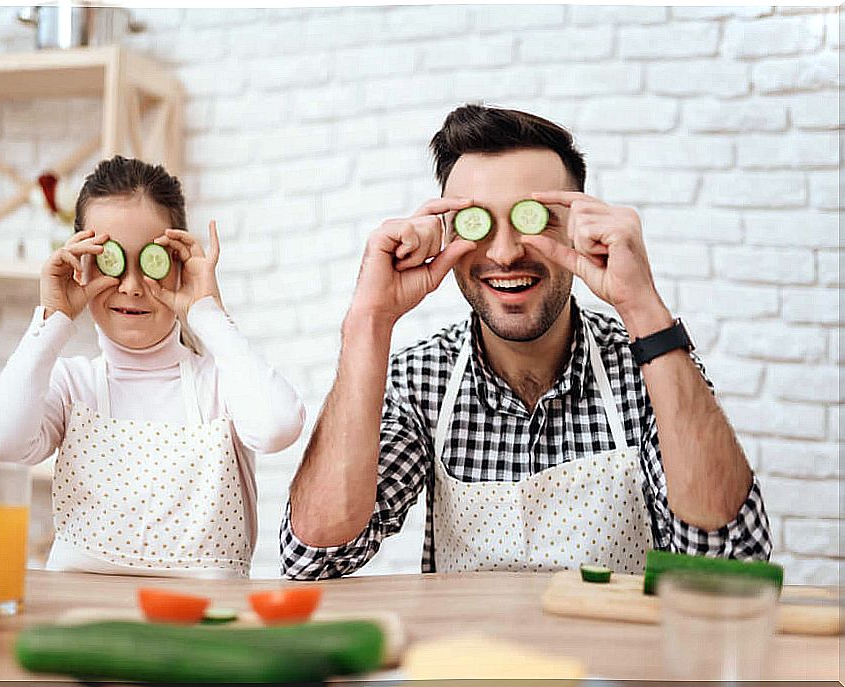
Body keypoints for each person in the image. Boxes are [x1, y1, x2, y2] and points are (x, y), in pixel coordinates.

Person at [281, 104, 771, 579]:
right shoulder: (419, 380)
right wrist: (369, 321)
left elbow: (729, 560)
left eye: (531, 217)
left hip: (620, 662)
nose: (505, 251)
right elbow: (316, 556)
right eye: (480, 222)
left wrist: (643, 306)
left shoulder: (647, 364)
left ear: (582, 228)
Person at [0, 156, 305, 578]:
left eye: (150, 261)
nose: (130, 286)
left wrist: (207, 312)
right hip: (80, 618)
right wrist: (52, 318)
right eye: (111, 260)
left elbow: (278, 428)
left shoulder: (220, 384)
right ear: (81, 262)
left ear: (179, 262)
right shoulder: (73, 384)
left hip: (202, 628)